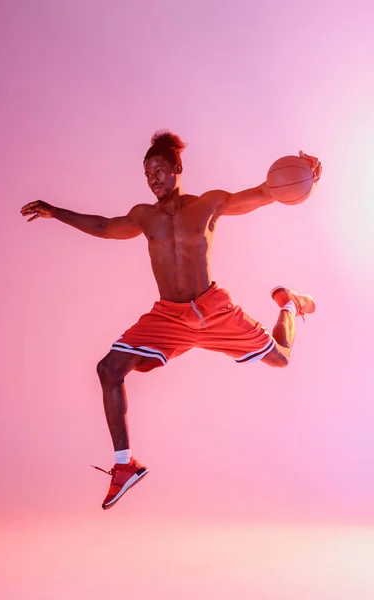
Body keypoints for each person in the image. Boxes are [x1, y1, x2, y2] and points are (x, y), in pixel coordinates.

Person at [21, 131, 322, 510]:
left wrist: (307, 170)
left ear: (177, 168)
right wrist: (55, 211)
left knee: (279, 357)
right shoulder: (143, 216)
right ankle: (124, 465)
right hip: (168, 316)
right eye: (147, 175)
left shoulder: (210, 204)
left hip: (213, 309)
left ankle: (289, 305)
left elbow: (265, 192)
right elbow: (102, 227)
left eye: (159, 171)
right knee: (108, 369)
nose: (153, 180)